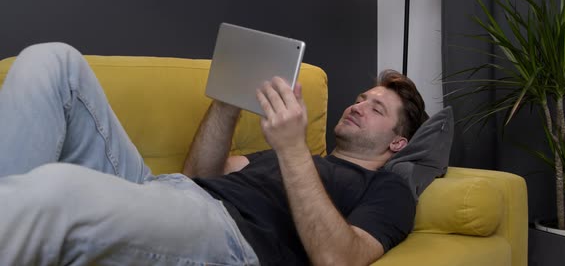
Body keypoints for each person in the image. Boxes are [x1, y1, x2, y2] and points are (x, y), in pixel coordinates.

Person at [0, 43, 429, 266]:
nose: (357, 106)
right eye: (360, 97)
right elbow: (198, 176)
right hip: (167, 194)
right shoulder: (291, 154)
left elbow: (340, 259)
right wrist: (229, 97)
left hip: (230, 241)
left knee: (57, 192)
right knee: (54, 62)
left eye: (376, 109)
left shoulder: (387, 188)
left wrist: (292, 149)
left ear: (397, 143)